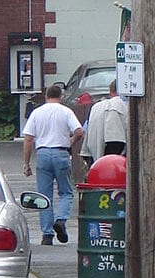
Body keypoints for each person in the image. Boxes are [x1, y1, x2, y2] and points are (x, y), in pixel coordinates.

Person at [23, 84, 84, 246]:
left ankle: (47, 234)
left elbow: (28, 139)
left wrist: (26, 163)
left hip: (43, 154)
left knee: (44, 196)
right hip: (61, 153)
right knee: (66, 192)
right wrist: (71, 141)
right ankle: (61, 220)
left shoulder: (37, 112)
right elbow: (79, 131)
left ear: (46, 96)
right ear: (60, 97)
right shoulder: (66, 111)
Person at [81, 80, 128, 166]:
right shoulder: (125, 106)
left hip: (97, 159)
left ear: (111, 91)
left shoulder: (95, 107)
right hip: (119, 159)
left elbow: (84, 132)